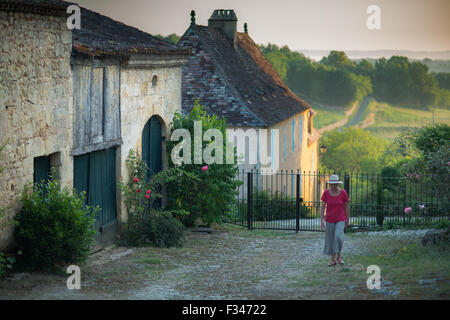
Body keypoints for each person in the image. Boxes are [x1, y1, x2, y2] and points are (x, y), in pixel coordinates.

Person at [320, 174, 350, 266]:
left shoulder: (343, 193)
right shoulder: (326, 193)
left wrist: (347, 219)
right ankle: (333, 259)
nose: (333, 186)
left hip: (340, 218)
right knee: (331, 238)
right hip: (329, 219)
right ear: (330, 184)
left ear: (337, 184)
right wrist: (321, 220)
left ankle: (339, 255)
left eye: (335, 184)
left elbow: (347, 206)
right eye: (331, 184)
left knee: (338, 237)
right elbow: (322, 206)